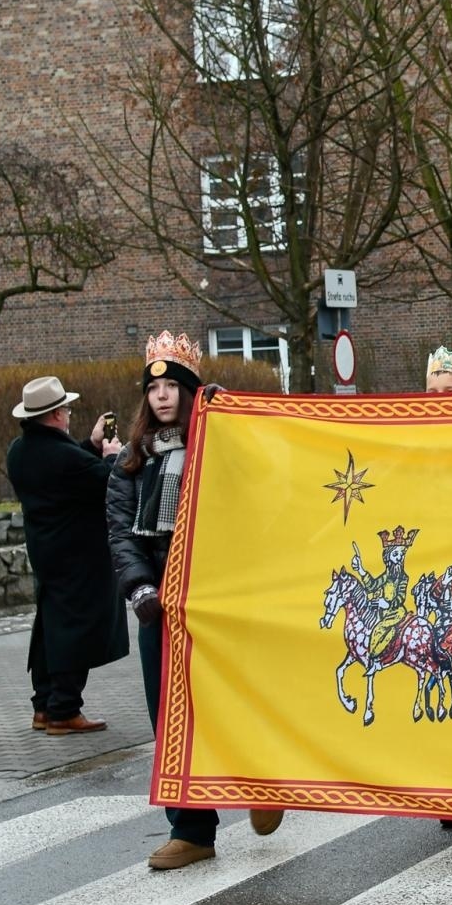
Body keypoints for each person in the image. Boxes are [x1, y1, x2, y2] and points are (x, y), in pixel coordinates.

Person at [107, 331, 285, 869]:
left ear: (190, 391)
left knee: (232, 696)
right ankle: (191, 829)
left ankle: (262, 783)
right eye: (153, 387)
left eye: (173, 385)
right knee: (170, 715)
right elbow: (120, 532)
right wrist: (140, 588)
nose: (161, 395)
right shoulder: (131, 462)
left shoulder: (220, 447)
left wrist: (224, 412)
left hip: (216, 596)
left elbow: (257, 497)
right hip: (158, 604)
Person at [6, 376, 128, 735]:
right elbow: (104, 480)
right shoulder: (63, 458)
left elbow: (67, 467)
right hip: (80, 559)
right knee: (79, 630)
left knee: (50, 629)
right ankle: (64, 709)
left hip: (47, 554)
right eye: (68, 409)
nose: (70, 414)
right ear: (57, 414)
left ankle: (44, 706)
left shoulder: (19, 451)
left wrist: (90, 445)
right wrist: (111, 456)